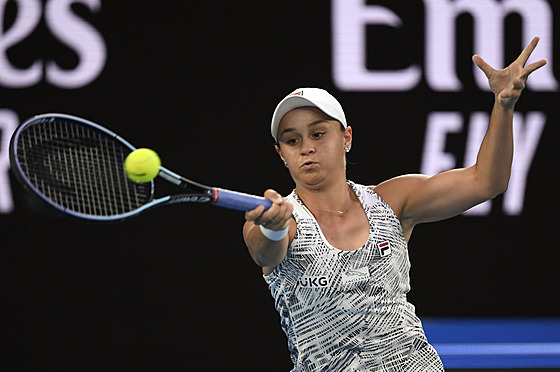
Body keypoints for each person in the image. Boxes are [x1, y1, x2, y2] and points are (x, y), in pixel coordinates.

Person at [243, 37, 547, 371]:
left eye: (318, 134)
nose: (306, 148)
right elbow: (264, 252)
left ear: (346, 138)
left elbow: (486, 181)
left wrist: (503, 106)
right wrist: (273, 229)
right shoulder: (279, 220)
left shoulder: (392, 200)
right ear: (281, 154)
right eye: (292, 140)